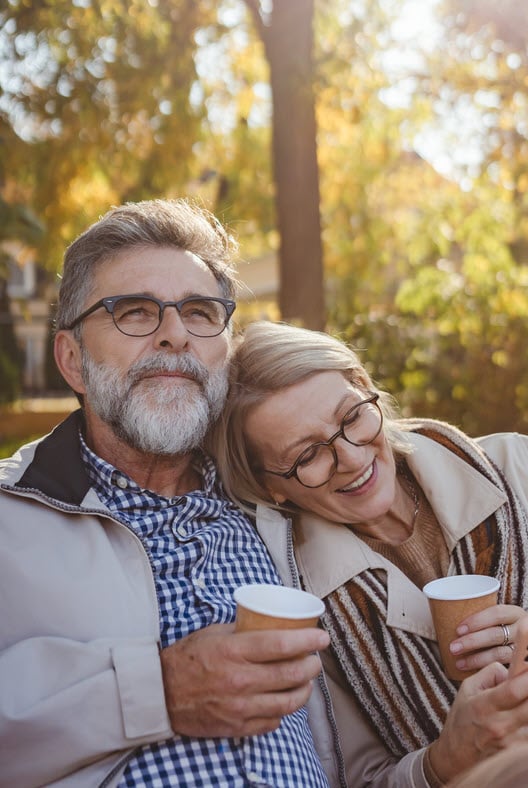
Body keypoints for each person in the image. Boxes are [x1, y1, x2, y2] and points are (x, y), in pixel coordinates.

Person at [0, 201, 337, 787]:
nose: (175, 335)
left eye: (201, 312)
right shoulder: (10, 520)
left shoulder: (287, 504)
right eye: (134, 312)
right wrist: (157, 692)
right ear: (73, 360)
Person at [209, 319, 528, 787]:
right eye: (307, 456)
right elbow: (362, 779)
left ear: (364, 387)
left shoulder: (515, 468)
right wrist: (446, 759)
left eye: (351, 417)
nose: (353, 459)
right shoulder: (305, 603)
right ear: (269, 487)